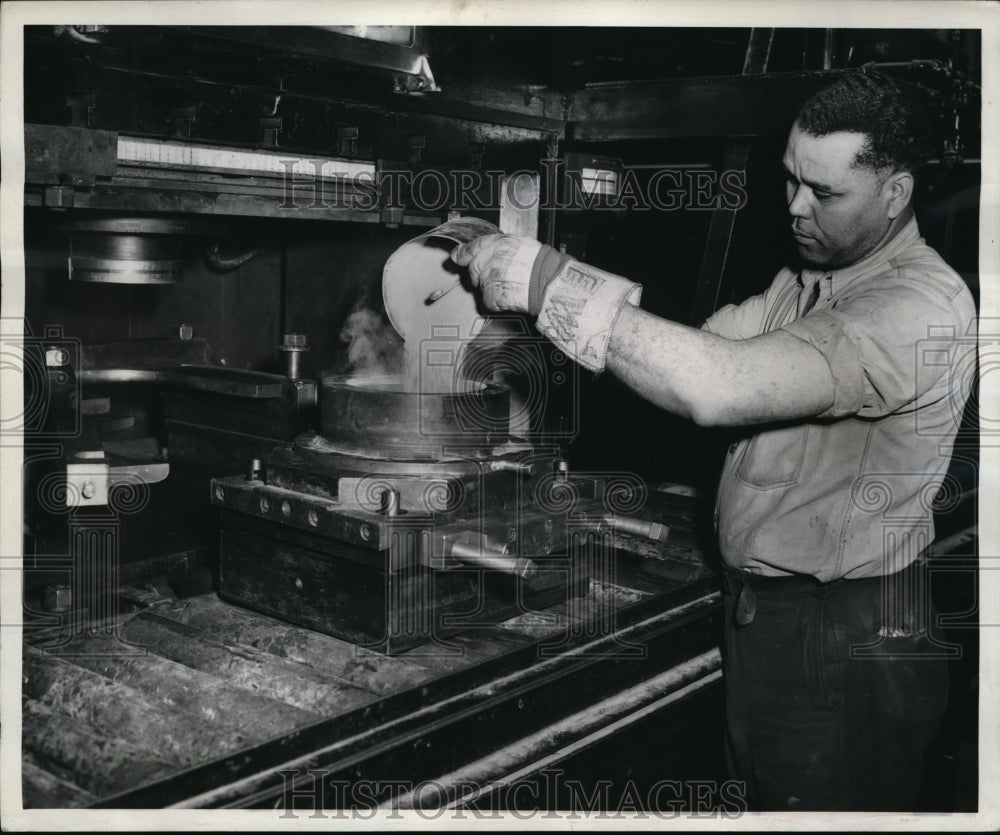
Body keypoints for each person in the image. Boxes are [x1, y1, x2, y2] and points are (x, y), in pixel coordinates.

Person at [450, 70, 976, 812]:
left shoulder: (913, 307)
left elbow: (718, 385)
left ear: (895, 195)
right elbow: (691, 349)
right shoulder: (808, 280)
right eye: (791, 179)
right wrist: (543, 276)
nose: (794, 207)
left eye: (823, 193)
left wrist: (542, 282)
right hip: (770, 618)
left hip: (844, 640)